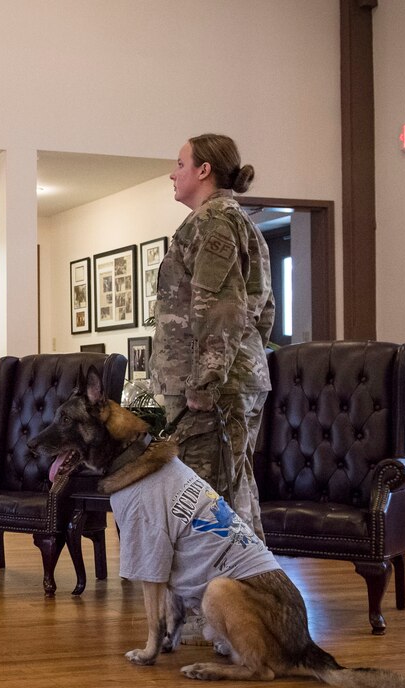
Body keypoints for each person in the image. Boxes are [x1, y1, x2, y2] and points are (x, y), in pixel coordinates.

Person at [151, 134, 274, 541]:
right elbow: (262, 312)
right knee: (232, 494)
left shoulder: (213, 222)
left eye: (181, 164)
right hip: (227, 381)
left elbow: (221, 308)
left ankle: (215, 601)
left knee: (206, 502)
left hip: (210, 391)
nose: (173, 173)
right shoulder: (236, 222)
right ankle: (243, 596)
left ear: (204, 171)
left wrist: (206, 380)